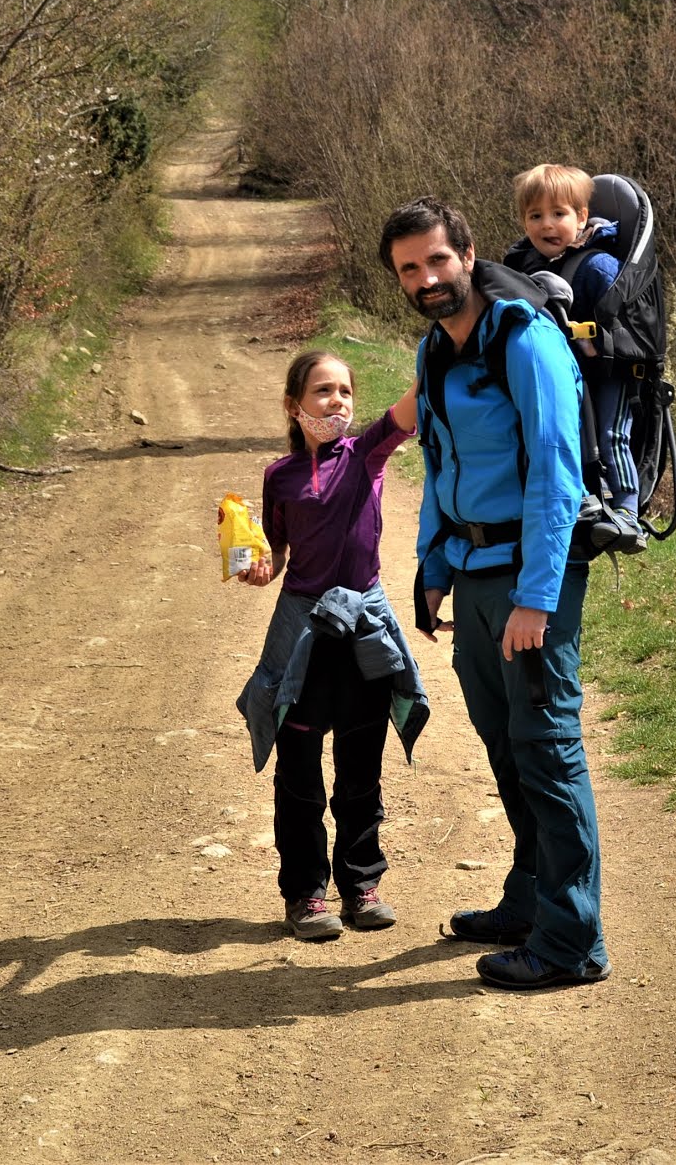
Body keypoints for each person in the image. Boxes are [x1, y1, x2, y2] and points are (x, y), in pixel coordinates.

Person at [381, 195, 612, 990]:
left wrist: (538, 598)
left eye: (437, 260)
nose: (426, 278)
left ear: (469, 254)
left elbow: (555, 473)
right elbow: (438, 465)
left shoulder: (525, 339)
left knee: (546, 748)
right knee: (504, 744)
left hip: (529, 578)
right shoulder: (431, 352)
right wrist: (432, 569)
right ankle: (530, 899)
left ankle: (573, 941)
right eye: (409, 268)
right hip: (473, 573)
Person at [236, 351, 428, 941]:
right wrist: (251, 566)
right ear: (294, 407)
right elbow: (275, 557)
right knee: (298, 771)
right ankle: (305, 894)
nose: (337, 401)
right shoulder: (279, 476)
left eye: (345, 390)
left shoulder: (366, 455)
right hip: (302, 629)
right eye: (323, 391)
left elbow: (410, 408)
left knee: (361, 766)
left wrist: (454, 344)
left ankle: (361, 885)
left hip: (365, 624)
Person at [508, 162, 645, 553]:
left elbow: (625, 318)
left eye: (558, 214)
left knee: (610, 435)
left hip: (609, 371)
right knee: (573, 439)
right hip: (567, 375)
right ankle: (589, 501)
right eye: (535, 216)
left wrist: (593, 338)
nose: (547, 225)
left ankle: (628, 512)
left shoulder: (597, 265)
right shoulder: (527, 267)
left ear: (581, 216)